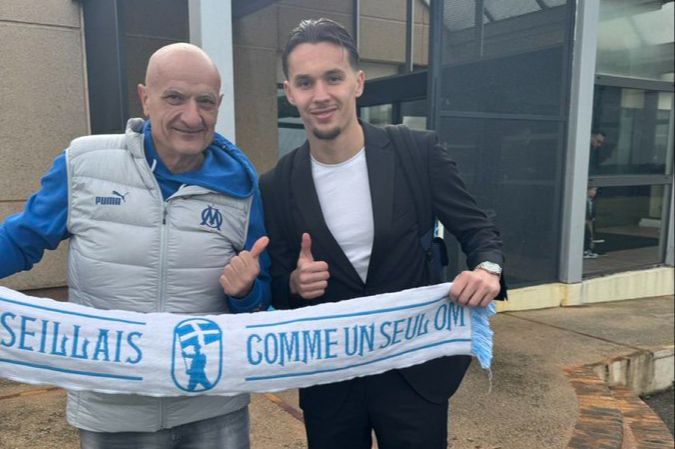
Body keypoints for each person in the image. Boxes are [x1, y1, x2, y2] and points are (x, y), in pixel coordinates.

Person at [0, 43, 270, 449]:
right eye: (174, 98)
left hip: (214, 411)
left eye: (205, 101)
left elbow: (260, 298)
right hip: (114, 413)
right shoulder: (84, 164)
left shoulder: (241, 188)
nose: (191, 116)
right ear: (145, 98)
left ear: (219, 105)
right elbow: (21, 240)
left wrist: (247, 292)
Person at [260, 18, 506, 449]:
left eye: (333, 77)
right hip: (331, 381)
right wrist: (294, 284)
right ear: (290, 92)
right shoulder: (276, 184)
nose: (320, 95)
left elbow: (478, 230)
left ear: (357, 82)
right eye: (305, 82)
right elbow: (277, 286)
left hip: (414, 374)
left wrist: (488, 269)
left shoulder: (417, 152)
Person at [584, 186, 600, 259]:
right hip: (584, 221)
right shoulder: (583, 200)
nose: (594, 192)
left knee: (590, 235)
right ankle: (585, 251)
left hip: (590, 221)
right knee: (586, 234)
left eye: (595, 190)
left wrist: (592, 218)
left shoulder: (592, 201)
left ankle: (588, 250)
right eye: (593, 190)